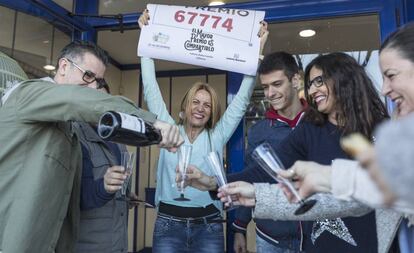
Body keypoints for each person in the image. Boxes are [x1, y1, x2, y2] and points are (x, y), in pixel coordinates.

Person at [190, 52, 390, 253]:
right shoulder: (311, 128)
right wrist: (216, 182)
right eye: (310, 84)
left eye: (319, 81)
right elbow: (266, 172)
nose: (312, 90)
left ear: (344, 78)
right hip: (318, 244)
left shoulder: (382, 130)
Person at [0, 43, 183, 253]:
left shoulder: (68, 127)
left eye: (98, 81)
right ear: (63, 66)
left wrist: (149, 136)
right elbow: (75, 99)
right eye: (88, 76)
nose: (94, 87)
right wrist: (150, 120)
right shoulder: (29, 93)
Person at [138, 10, 268, 253]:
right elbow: (151, 91)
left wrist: (255, 53)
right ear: (185, 107)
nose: (200, 108)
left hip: (208, 227)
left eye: (207, 105)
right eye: (195, 102)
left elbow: (240, 103)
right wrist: (146, 37)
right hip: (168, 225)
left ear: (212, 112)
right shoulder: (169, 130)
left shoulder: (216, 137)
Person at [230, 52, 305, 253]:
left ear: (296, 80)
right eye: (265, 87)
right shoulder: (258, 132)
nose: (270, 93)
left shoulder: (317, 124)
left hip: (312, 237)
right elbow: (251, 180)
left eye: (277, 84)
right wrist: (240, 227)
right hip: (269, 237)